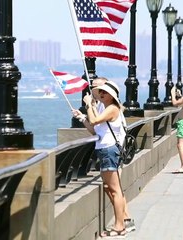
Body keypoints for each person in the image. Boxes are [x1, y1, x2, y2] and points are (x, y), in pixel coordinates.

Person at [73, 80, 132, 238]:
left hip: (108, 150)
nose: (101, 94)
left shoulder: (112, 109)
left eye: (104, 92)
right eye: (100, 92)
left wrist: (88, 105)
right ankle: (120, 224)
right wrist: (81, 118)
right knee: (111, 189)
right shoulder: (106, 109)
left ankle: (120, 225)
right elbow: (94, 129)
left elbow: (94, 120)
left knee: (115, 190)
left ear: (112, 96)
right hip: (104, 150)